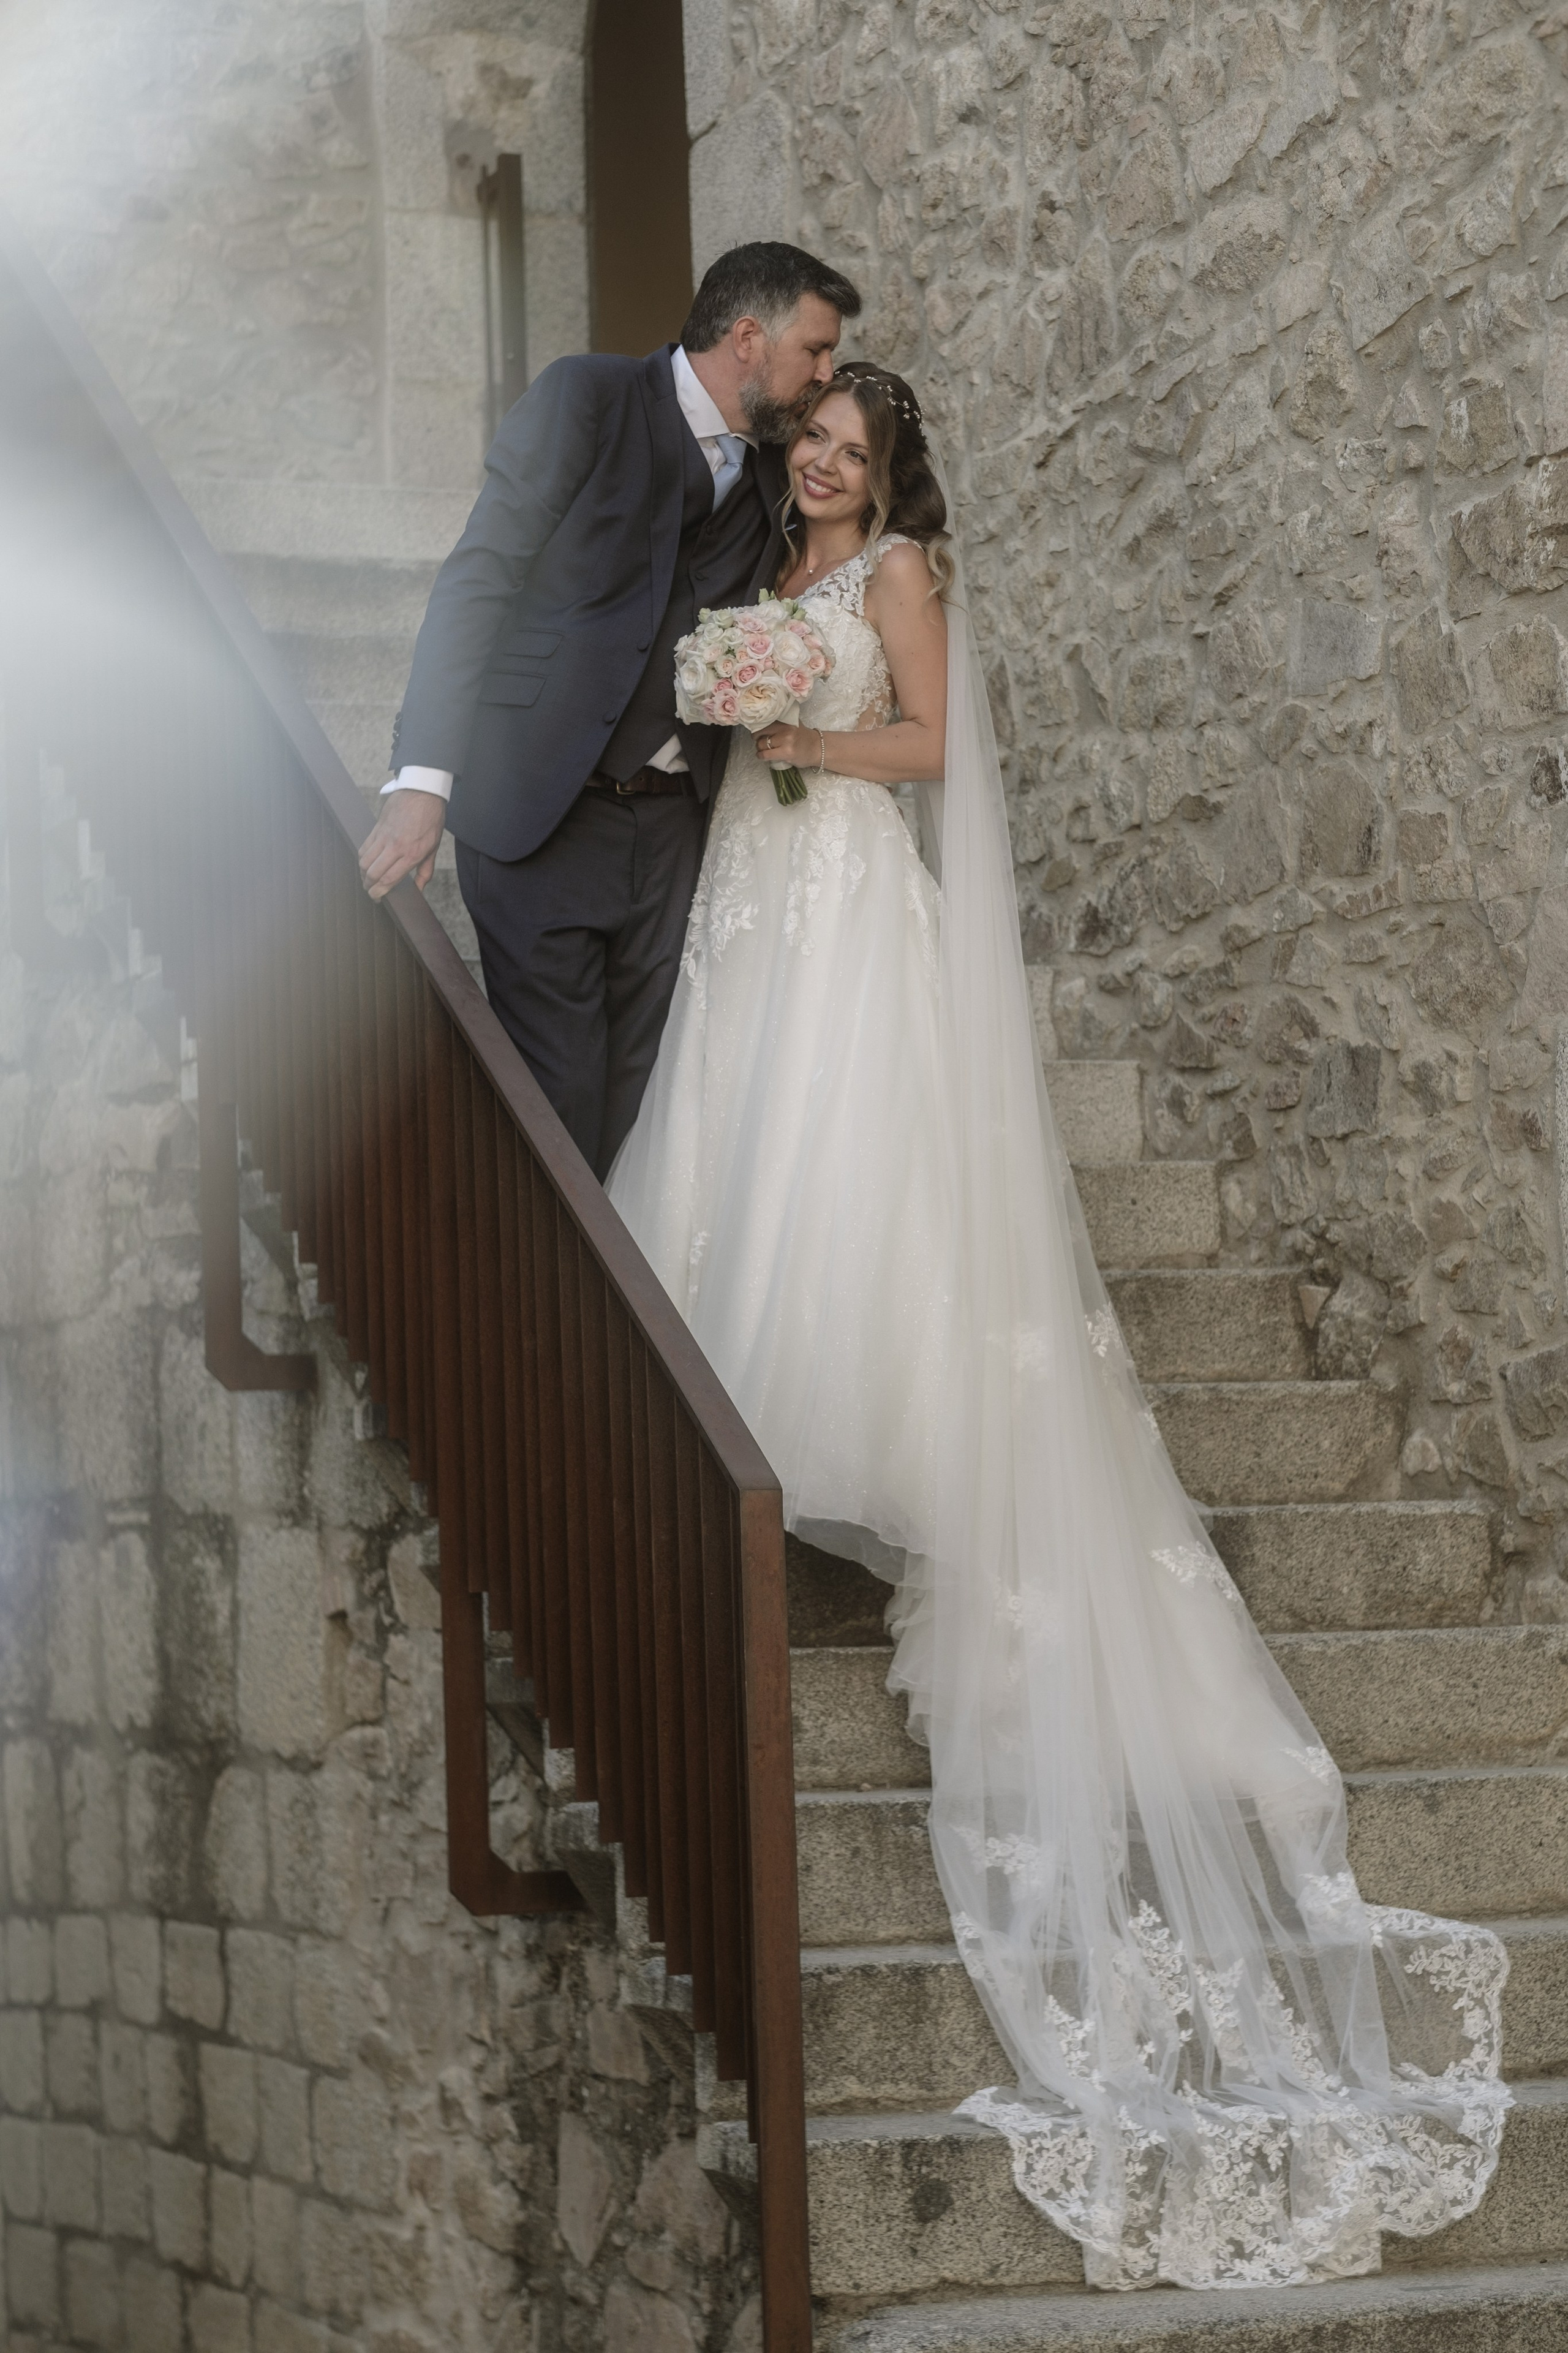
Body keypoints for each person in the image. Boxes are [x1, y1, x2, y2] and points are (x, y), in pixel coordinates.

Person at [606, 363, 1511, 2292]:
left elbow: (932, 745)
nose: (823, 462)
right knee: (737, 1152)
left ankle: (872, 1451)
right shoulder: (773, 571)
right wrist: (742, 711)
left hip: (846, 902)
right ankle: (731, 1425)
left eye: (851, 447)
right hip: (756, 908)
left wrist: (799, 735)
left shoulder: (899, 576)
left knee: (849, 1167)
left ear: (890, 469)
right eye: (810, 439)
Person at [357, 242, 861, 1178]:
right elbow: (477, 582)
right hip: (543, 817)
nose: (827, 373)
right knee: (559, 1106)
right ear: (748, 339)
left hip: (675, 837)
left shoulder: (777, 475)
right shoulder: (584, 399)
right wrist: (422, 780)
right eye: (816, 350)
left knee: (641, 1121)